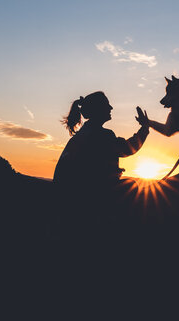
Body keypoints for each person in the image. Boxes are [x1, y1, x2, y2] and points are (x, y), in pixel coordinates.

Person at [53, 92, 149, 223]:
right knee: (131, 186)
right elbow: (127, 149)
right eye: (107, 105)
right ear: (98, 110)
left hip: (69, 198)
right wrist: (145, 128)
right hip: (89, 199)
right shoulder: (102, 135)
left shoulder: (81, 135)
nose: (111, 108)